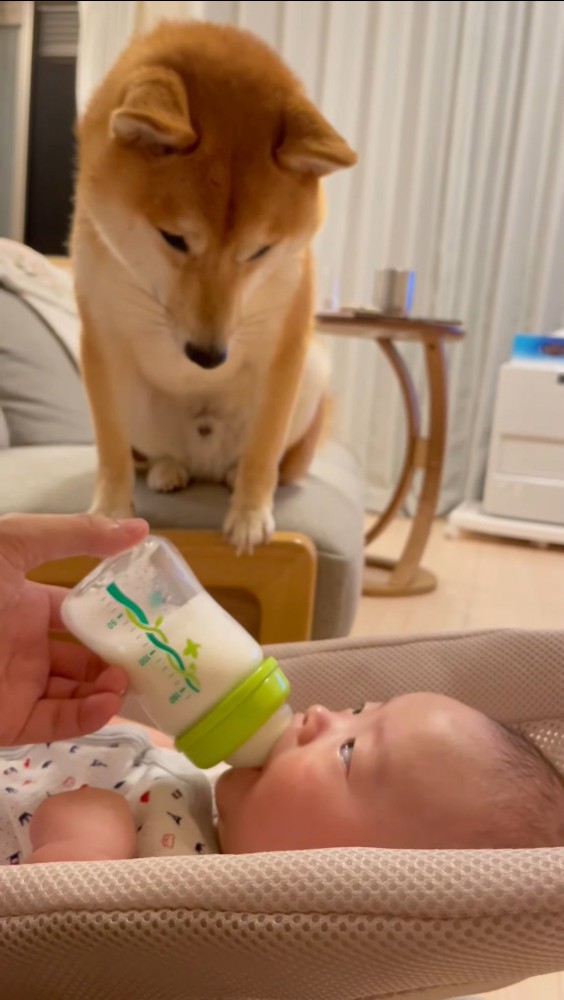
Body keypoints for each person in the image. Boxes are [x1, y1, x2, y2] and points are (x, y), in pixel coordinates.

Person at [1, 514, 564, 864]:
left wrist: (83, 853)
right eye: (358, 710)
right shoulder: (220, 795)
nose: (322, 714)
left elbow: (62, 946)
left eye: (349, 752)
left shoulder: (187, 899)